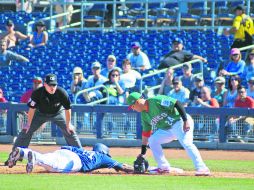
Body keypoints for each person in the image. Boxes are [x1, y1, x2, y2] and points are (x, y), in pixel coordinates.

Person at [6, 73, 82, 168]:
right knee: (26, 130)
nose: (52, 87)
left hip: (58, 113)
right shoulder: (38, 93)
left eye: (54, 84)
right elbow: (32, 109)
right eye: (50, 84)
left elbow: (67, 109)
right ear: (45, 84)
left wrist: (68, 124)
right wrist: (28, 124)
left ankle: (81, 157)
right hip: (40, 113)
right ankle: (13, 156)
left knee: (70, 131)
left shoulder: (62, 92)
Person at [127, 92, 210, 176]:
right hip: (167, 129)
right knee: (153, 140)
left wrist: (185, 121)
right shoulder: (144, 115)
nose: (133, 109)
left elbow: (176, 103)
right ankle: (163, 167)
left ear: (137, 102)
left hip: (180, 121)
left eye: (132, 106)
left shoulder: (155, 100)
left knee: (186, 143)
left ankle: (202, 168)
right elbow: (146, 134)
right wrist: (143, 152)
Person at [7, 143, 133, 174]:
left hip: (66, 152)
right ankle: (33, 156)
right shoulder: (104, 157)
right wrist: (136, 169)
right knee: (54, 167)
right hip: (76, 162)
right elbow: (122, 167)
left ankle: (23, 152)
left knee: (48, 159)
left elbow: (64, 147)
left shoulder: (84, 150)